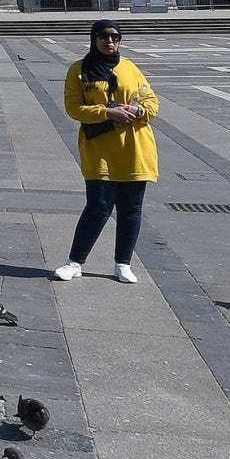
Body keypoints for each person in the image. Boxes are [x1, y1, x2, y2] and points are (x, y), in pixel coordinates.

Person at [51, 19, 159, 284]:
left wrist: (140, 110)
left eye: (115, 37)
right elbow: (73, 108)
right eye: (104, 37)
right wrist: (107, 112)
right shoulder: (79, 70)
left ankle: (123, 264)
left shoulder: (131, 68)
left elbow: (152, 102)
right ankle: (74, 262)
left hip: (135, 149)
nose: (110, 42)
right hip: (99, 150)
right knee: (98, 206)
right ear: (94, 39)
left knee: (131, 209)